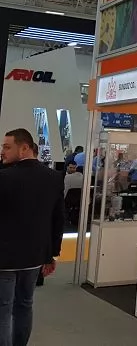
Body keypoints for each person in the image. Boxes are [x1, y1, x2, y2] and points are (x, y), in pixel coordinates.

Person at [0, 128, 64, 346]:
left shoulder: (4, 177)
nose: (2, 151)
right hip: (35, 256)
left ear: (24, 148)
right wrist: (52, 254)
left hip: (4, 258)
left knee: (3, 310)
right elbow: (58, 219)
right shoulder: (54, 178)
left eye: (7, 147)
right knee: (25, 305)